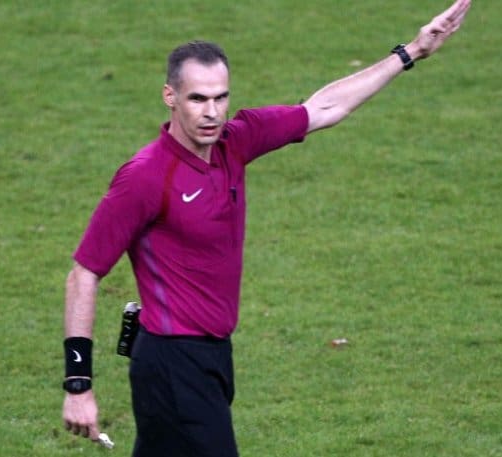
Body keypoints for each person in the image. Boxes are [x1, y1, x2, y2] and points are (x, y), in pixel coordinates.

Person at [61, 1, 471, 455]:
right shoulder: (145, 176)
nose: (212, 112)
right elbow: (84, 273)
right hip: (174, 362)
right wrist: (78, 384)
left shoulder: (237, 141)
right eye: (197, 99)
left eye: (220, 97)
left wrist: (411, 51)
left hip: (213, 356)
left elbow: (323, 108)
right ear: (170, 97)